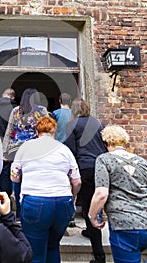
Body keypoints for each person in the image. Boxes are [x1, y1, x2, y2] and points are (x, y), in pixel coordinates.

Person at [11, 116, 81, 263]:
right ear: (54, 132)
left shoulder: (25, 147)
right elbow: (77, 181)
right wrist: (73, 198)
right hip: (63, 201)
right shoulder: (64, 150)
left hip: (35, 201)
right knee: (53, 246)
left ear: (37, 131)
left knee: (35, 250)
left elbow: (14, 176)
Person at [89, 125, 147, 263]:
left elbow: (101, 194)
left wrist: (92, 215)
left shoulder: (104, 159)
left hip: (123, 224)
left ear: (106, 143)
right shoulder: (142, 162)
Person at [65, 97, 107, 263]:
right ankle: (91, 231)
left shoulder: (72, 125)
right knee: (95, 203)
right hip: (101, 166)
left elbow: (71, 152)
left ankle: (99, 256)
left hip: (85, 167)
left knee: (90, 207)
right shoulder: (98, 123)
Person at [3, 88, 49, 217]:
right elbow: (47, 130)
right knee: (34, 178)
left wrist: (4, 151)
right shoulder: (41, 111)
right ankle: (31, 207)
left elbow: (9, 132)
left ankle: (17, 206)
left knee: (16, 179)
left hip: (16, 151)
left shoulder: (15, 111)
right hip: (35, 150)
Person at [0, 88, 17, 196]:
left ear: (2, 95)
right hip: (9, 145)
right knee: (7, 172)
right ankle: (5, 197)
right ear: (13, 97)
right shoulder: (15, 109)